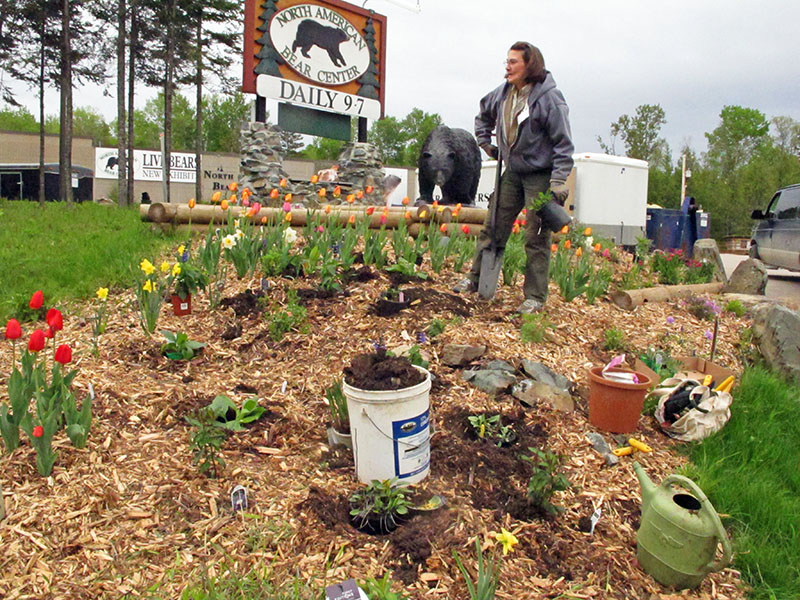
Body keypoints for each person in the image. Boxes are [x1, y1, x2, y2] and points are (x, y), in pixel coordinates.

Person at [453, 42, 574, 314]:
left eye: (513, 62)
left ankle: (535, 297)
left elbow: (564, 144)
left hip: (540, 175)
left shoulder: (550, 99)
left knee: (536, 235)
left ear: (530, 65)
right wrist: (486, 143)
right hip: (513, 171)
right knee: (492, 226)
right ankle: (475, 279)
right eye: (506, 61)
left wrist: (557, 181)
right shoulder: (503, 93)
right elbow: (483, 114)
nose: (507, 67)